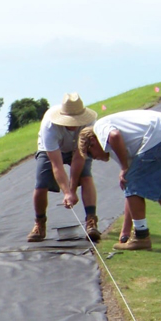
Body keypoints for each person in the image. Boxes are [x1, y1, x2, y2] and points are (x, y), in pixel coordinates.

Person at [78, 110, 161, 250]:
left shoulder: (99, 127)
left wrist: (124, 167)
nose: (95, 158)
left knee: (132, 183)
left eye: (91, 154)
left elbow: (114, 136)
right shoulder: (124, 146)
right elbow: (131, 192)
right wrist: (125, 232)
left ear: (92, 142)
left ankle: (141, 237)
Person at [27, 93, 100, 243]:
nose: (73, 124)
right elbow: (56, 165)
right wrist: (66, 193)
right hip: (52, 150)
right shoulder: (50, 126)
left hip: (77, 149)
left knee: (86, 176)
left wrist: (72, 190)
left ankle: (91, 222)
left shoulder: (90, 123)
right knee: (41, 185)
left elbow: (79, 158)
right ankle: (39, 223)